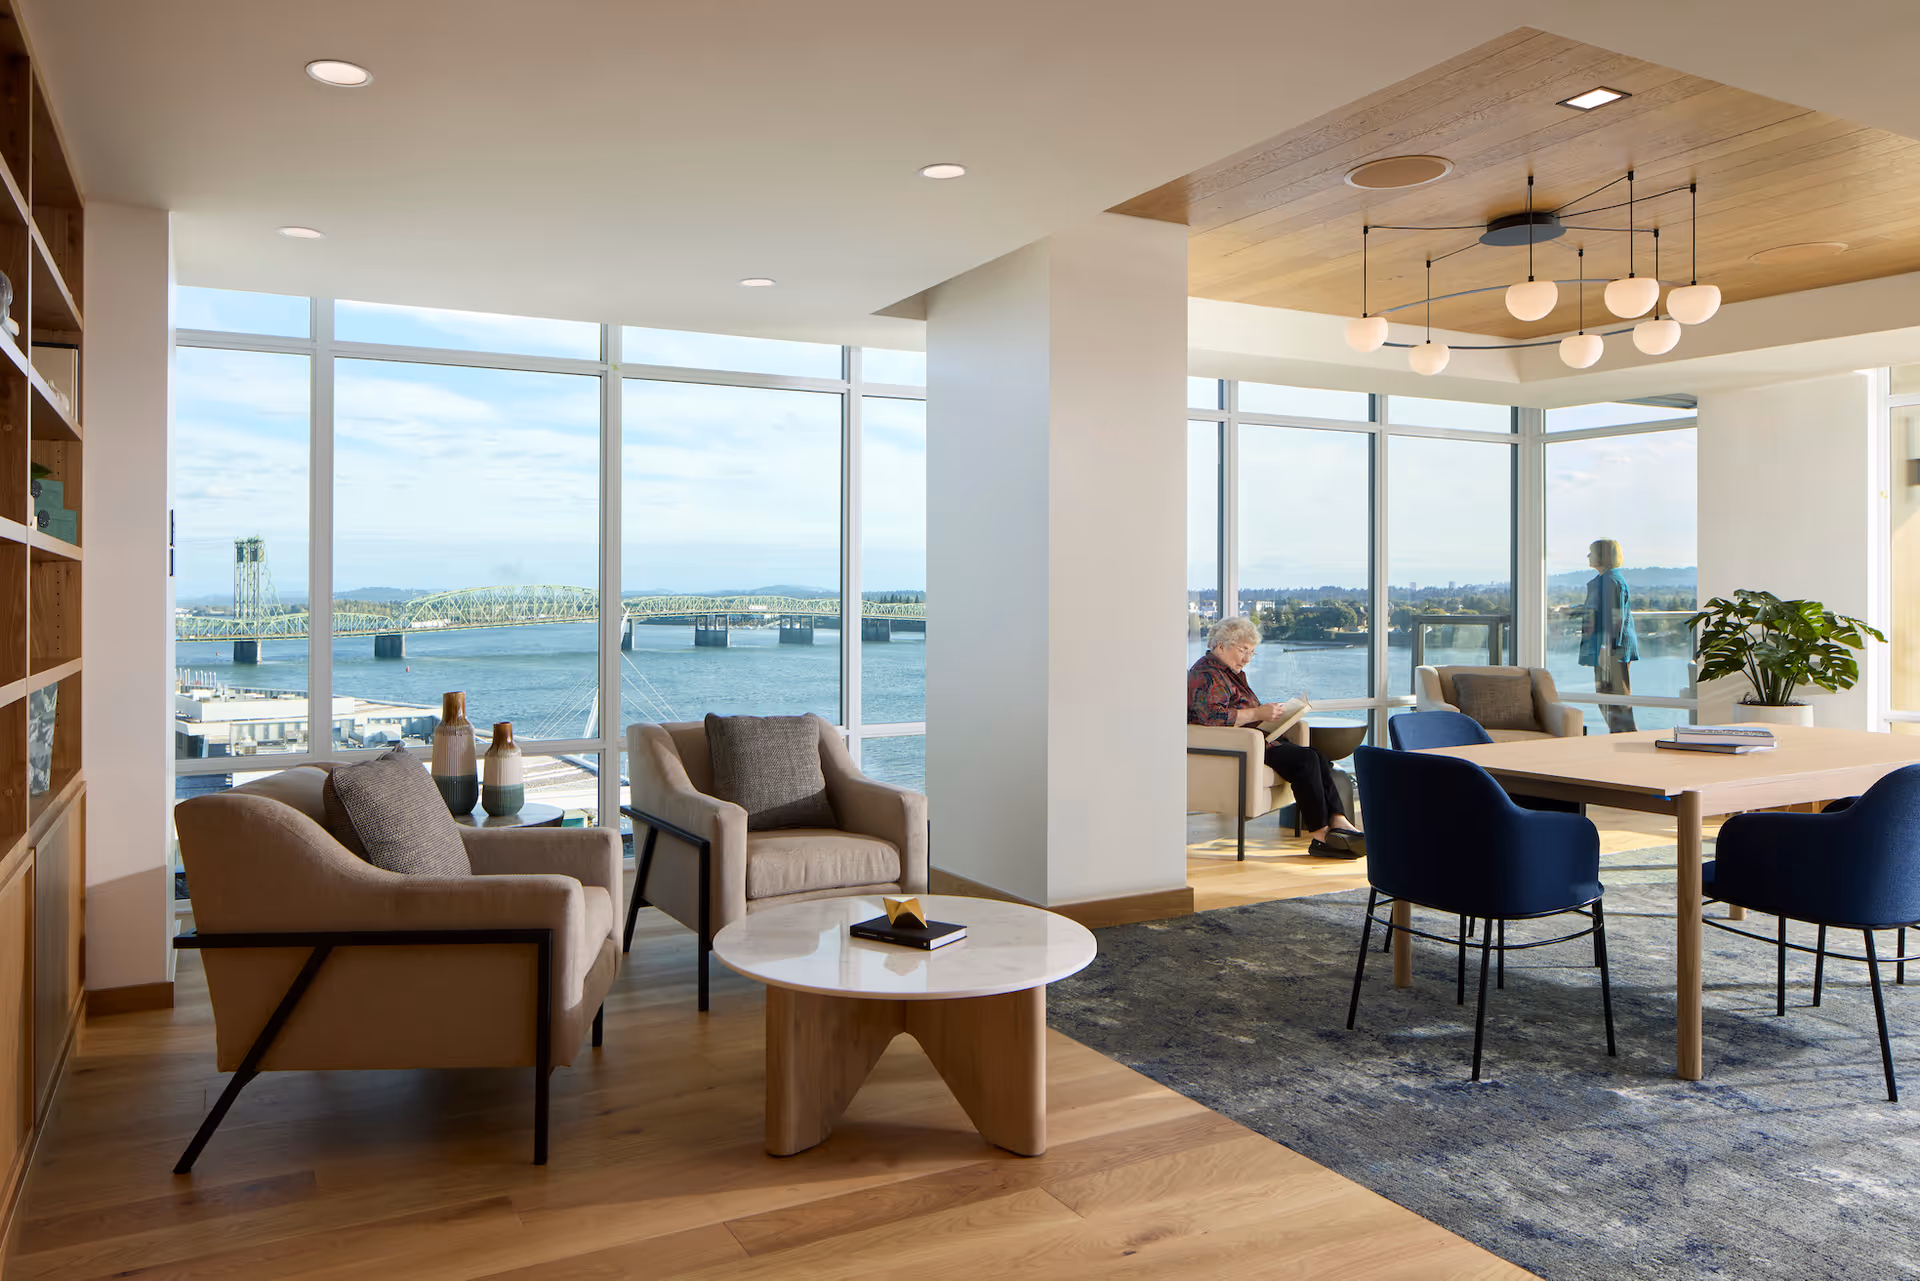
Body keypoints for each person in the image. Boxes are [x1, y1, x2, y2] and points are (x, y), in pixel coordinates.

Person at [1187, 616, 1365, 858]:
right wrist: (1258, 713)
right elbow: (1209, 717)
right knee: (1306, 761)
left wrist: (1275, 717)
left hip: (1254, 742)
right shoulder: (1207, 674)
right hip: (1238, 748)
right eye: (1243, 651)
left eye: (1251, 652)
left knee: (1317, 756)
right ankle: (1322, 836)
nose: (1247, 659)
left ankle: (1338, 820)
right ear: (1220, 646)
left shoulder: (1228, 672)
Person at [1578, 539, 1639, 734]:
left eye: (1591, 552)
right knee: (1607, 698)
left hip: (1612, 649)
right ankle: (1620, 738)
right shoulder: (1605, 580)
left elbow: (1615, 617)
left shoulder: (1611, 581)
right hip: (1608, 647)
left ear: (1603, 555)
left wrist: (1606, 648)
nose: (1588, 556)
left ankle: (1626, 741)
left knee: (1616, 701)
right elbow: (1597, 609)